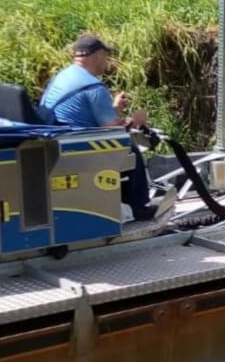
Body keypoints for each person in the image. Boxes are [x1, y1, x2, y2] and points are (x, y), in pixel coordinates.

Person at [40, 33, 156, 221]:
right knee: (130, 149)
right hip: (77, 144)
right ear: (96, 56)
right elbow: (113, 131)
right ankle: (139, 207)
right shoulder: (94, 87)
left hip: (58, 138)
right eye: (105, 56)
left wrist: (114, 109)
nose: (107, 62)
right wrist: (135, 120)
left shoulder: (64, 76)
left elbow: (84, 113)